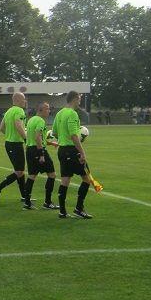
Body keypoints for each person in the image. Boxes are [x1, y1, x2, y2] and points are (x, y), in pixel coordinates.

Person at [52, 91, 92, 219]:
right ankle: (78, 209)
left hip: (62, 150)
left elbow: (54, 132)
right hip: (72, 150)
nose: (80, 100)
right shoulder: (72, 114)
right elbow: (74, 135)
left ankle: (62, 211)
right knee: (86, 179)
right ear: (74, 99)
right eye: (79, 98)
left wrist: (63, 140)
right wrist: (82, 152)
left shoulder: (60, 113)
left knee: (65, 180)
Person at [0, 92, 28, 206]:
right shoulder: (19, 111)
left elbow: (1, 128)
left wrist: (9, 135)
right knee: (19, 171)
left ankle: (24, 195)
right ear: (18, 100)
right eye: (24, 99)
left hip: (9, 144)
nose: (25, 101)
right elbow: (18, 125)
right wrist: (26, 139)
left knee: (20, 170)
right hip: (16, 144)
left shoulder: (8, 111)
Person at [24, 102, 58, 210]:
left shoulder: (31, 120)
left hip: (29, 150)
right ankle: (47, 202)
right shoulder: (40, 121)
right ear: (40, 110)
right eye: (47, 109)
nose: (49, 111)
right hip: (38, 150)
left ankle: (27, 203)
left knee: (32, 176)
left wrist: (51, 143)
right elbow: (37, 137)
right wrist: (41, 154)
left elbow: (36, 138)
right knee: (52, 175)